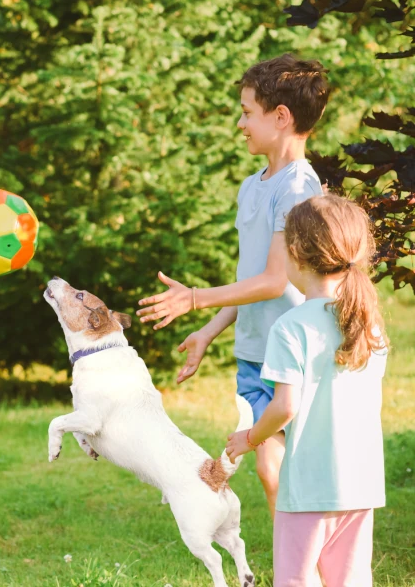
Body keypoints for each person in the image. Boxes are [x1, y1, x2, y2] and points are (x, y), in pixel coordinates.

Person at [137, 54, 328, 515]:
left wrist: (195, 299)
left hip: (291, 354)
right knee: (275, 472)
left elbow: (276, 280)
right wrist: (209, 331)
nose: (240, 123)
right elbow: (252, 282)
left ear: (280, 117)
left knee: (275, 471)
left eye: (247, 112)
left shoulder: (299, 186)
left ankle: (302, 573)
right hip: (254, 356)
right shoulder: (253, 185)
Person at [226, 194, 387, 587]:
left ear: (294, 251)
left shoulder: (291, 326)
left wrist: (249, 438)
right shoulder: (370, 322)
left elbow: (285, 407)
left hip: (309, 491)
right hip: (360, 486)